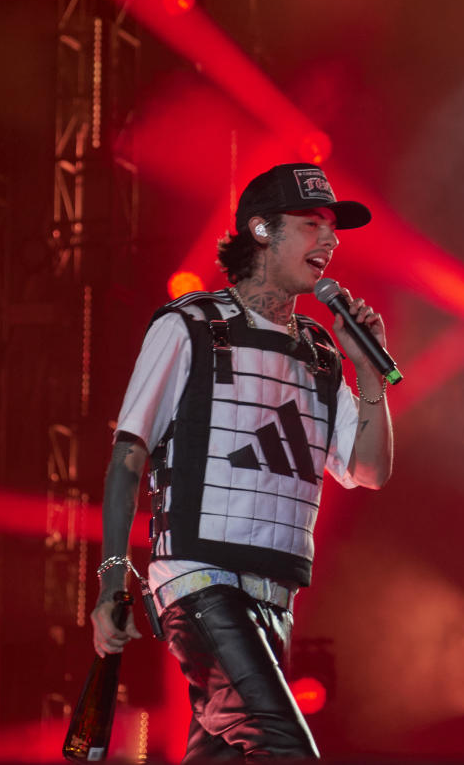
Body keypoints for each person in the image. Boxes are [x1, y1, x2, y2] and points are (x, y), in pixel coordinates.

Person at [90, 163, 393, 761]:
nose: (330, 242)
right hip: (201, 585)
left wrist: (371, 374)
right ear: (261, 231)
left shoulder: (321, 354)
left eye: (333, 229)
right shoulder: (188, 328)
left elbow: (371, 471)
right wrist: (111, 579)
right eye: (312, 225)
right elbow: (129, 454)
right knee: (284, 748)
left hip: (274, 599)